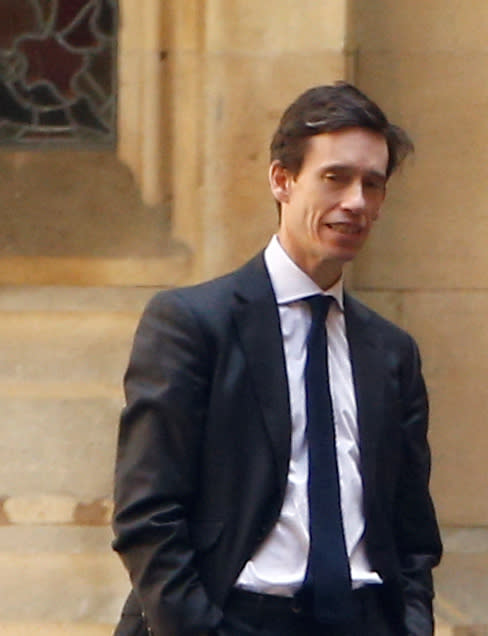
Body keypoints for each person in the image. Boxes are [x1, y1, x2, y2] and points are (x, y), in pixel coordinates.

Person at [112, 82, 442, 636]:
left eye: (372, 184)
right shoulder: (193, 324)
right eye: (334, 177)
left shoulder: (391, 352)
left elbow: (412, 531)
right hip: (235, 617)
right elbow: (147, 513)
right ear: (282, 180)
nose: (356, 202)